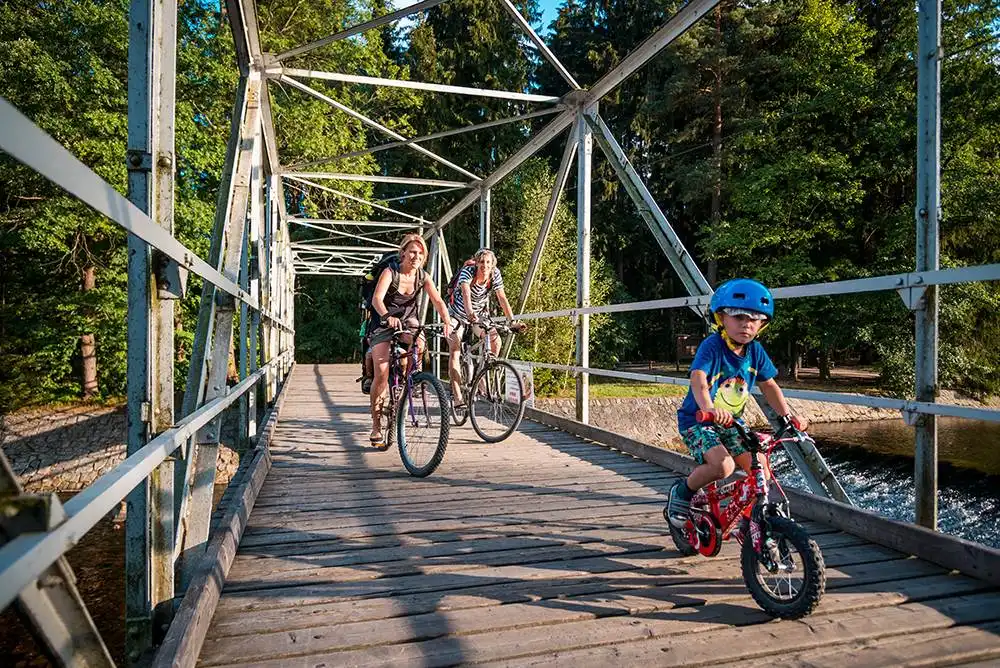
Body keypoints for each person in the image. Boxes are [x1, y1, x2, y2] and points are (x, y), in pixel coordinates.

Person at [665, 278, 808, 527]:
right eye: (738, 316)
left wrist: (788, 417)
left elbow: (769, 385)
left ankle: (749, 520)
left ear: (762, 324)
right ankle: (683, 492)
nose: (746, 324)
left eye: (754, 319)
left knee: (761, 468)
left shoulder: (755, 351)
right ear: (721, 317)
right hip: (698, 420)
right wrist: (708, 408)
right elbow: (698, 378)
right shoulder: (713, 346)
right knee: (723, 466)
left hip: (732, 423)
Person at [368, 233, 451, 448]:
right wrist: (387, 317)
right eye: (413, 252)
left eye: (421, 253)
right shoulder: (391, 272)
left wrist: (447, 321)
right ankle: (376, 426)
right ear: (403, 252)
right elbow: (377, 299)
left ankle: (411, 381)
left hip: (409, 321)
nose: (416, 256)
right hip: (383, 321)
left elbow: (438, 300)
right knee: (382, 373)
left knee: (421, 342)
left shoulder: (422, 276)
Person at [447, 248, 522, 408]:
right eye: (481, 262)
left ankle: (480, 379)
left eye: (488, 262)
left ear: (492, 264)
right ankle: (457, 396)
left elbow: (502, 297)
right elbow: (466, 294)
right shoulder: (468, 271)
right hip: (457, 313)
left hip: (479, 313)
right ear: (476, 263)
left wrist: (512, 321)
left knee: (496, 342)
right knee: (455, 348)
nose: (485, 265)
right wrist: (470, 314)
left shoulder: (495, 274)